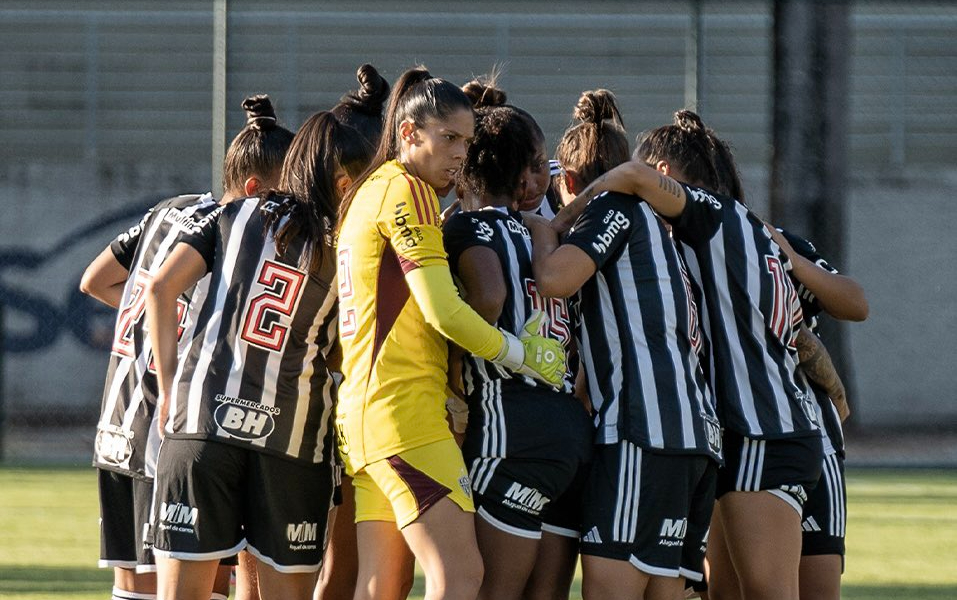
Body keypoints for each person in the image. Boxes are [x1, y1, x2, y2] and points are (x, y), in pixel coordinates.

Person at [552, 110, 842, 600]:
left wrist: (567, 216)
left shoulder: (712, 217)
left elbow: (633, 176)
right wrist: (831, 380)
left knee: (767, 592)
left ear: (665, 176)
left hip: (760, 433)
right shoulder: (738, 237)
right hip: (740, 434)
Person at [335, 65, 566, 600]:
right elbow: (442, 309)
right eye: (449, 139)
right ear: (409, 134)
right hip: (406, 417)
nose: (461, 154)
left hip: (367, 417)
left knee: (380, 585)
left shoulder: (369, 192)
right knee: (461, 577)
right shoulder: (408, 189)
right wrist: (520, 353)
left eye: (467, 141)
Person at [144, 110, 372, 600]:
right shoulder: (344, 245)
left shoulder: (233, 213)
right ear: (341, 181)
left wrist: (168, 393)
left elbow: (161, 289)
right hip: (292, 442)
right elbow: (341, 351)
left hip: (202, 424)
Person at [80, 95, 293, 600]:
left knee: (135, 587)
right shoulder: (234, 232)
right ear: (254, 189)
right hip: (171, 425)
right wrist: (180, 352)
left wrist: (154, 331)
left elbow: (96, 281)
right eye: (289, 193)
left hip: (118, 421)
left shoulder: (168, 210)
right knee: (201, 580)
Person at [527, 91, 721, 600]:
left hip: (644, 434)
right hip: (695, 438)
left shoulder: (612, 209)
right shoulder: (663, 223)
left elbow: (553, 280)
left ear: (567, 182)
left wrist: (548, 229)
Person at [442, 101, 592, 600]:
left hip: (512, 427)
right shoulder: (547, 234)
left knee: (488, 590)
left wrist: (456, 355)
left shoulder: (469, 227)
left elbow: (488, 297)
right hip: (570, 425)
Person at [314, 62, 411, 600]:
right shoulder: (349, 232)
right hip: (361, 412)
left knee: (348, 571)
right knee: (347, 571)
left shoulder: (340, 229)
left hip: (346, 413)